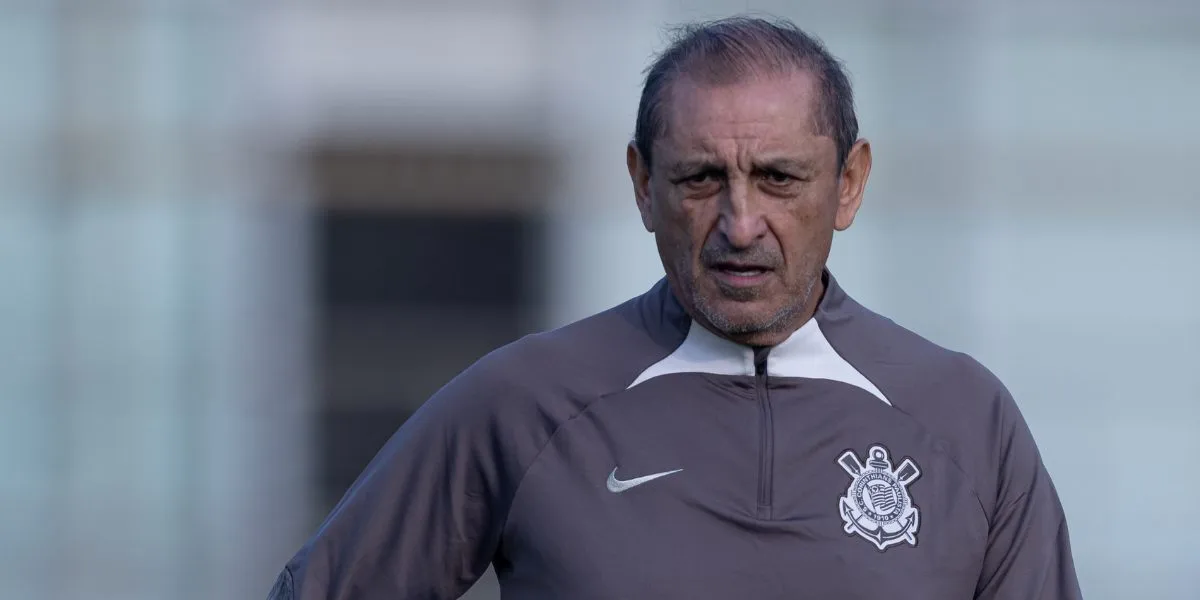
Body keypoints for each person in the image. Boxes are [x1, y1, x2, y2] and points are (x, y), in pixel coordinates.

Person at [267, 15, 1082, 600]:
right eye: (700, 180)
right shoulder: (522, 405)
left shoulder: (966, 421)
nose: (739, 222)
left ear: (850, 183)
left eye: (778, 178)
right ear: (643, 186)